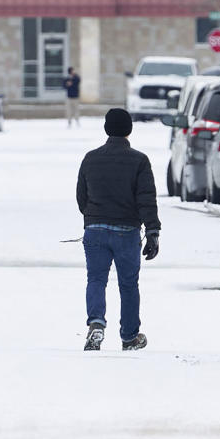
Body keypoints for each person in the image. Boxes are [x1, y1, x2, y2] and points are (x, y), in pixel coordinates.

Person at [76, 108, 160, 351]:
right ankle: (130, 336)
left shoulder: (90, 159)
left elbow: (82, 197)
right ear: (129, 130)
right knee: (128, 284)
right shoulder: (139, 161)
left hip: (95, 230)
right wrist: (152, 231)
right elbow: (146, 198)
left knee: (96, 278)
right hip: (127, 232)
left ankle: (96, 323)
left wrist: (93, 217)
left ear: (106, 129)